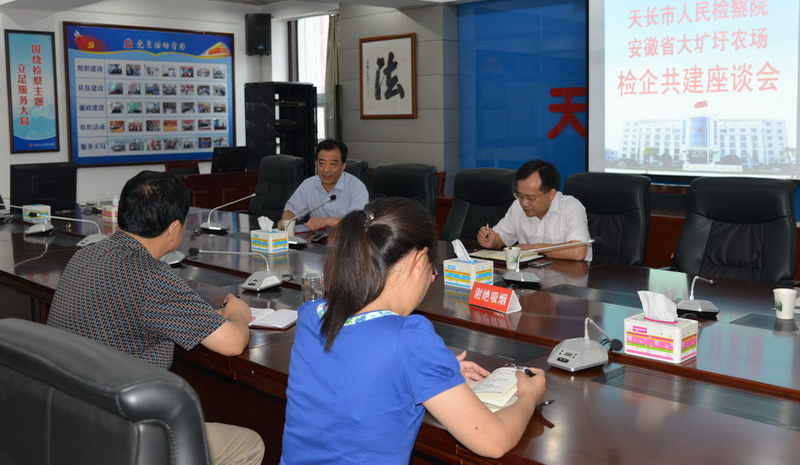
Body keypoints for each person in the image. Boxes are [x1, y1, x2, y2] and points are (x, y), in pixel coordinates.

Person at [281, 198, 546, 464]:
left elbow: (354, 371)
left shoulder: (311, 315)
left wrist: (431, 371)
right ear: (419, 260)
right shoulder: (410, 338)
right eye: (433, 272)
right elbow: (493, 441)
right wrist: (529, 395)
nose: (430, 280)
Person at [47, 170, 264, 465]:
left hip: (70, 420)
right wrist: (238, 313)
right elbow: (232, 343)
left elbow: (133, 312)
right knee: (249, 445)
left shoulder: (86, 255)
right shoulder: (150, 276)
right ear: (174, 229)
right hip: (120, 435)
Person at [477, 159, 591, 261]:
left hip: (571, 275)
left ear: (551, 194)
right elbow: (501, 238)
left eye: (530, 197)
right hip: (530, 274)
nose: (524, 203)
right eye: (519, 195)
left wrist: (531, 249)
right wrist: (491, 240)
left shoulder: (571, 207)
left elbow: (578, 252)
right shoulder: (517, 206)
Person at [279, 138, 368, 231]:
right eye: (321, 163)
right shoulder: (308, 185)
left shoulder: (357, 187)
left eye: (333, 164)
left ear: (342, 166)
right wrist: (286, 219)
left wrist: (326, 221)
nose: (326, 169)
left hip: (346, 238)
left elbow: (358, 221)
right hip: (317, 238)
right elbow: (291, 211)